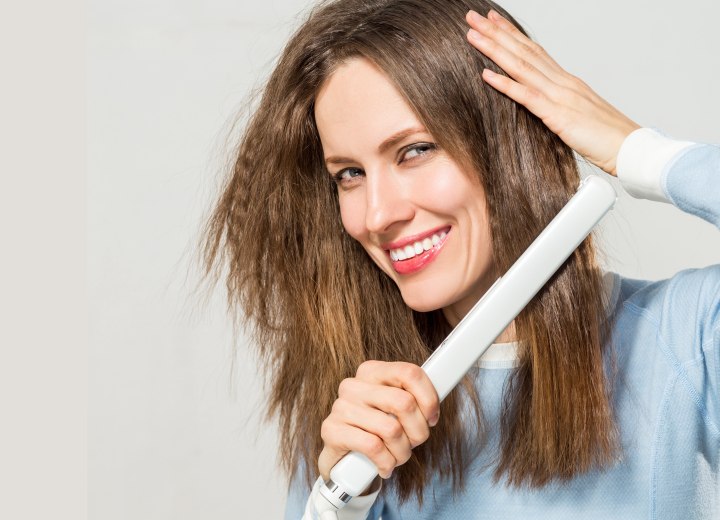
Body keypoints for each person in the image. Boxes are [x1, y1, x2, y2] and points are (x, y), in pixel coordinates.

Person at [199, 0, 720, 517]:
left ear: (506, 147)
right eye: (349, 174)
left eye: (415, 150)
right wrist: (338, 507)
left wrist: (639, 152)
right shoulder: (363, 412)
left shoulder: (686, 338)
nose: (376, 216)